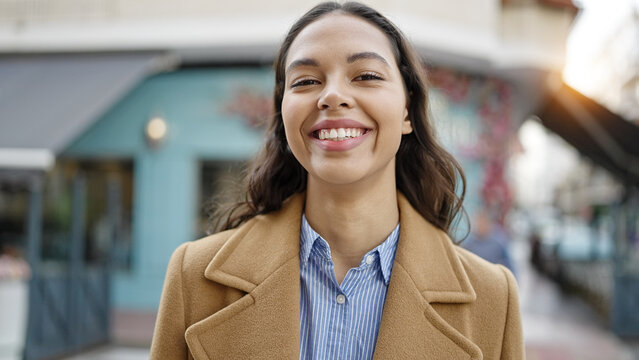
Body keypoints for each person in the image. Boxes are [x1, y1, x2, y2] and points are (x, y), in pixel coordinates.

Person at [150, 2, 524, 359]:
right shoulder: (193, 276)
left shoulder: (494, 298)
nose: (332, 96)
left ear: (407, 110)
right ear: (283, 115)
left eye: (366, 76)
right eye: (306, 81)